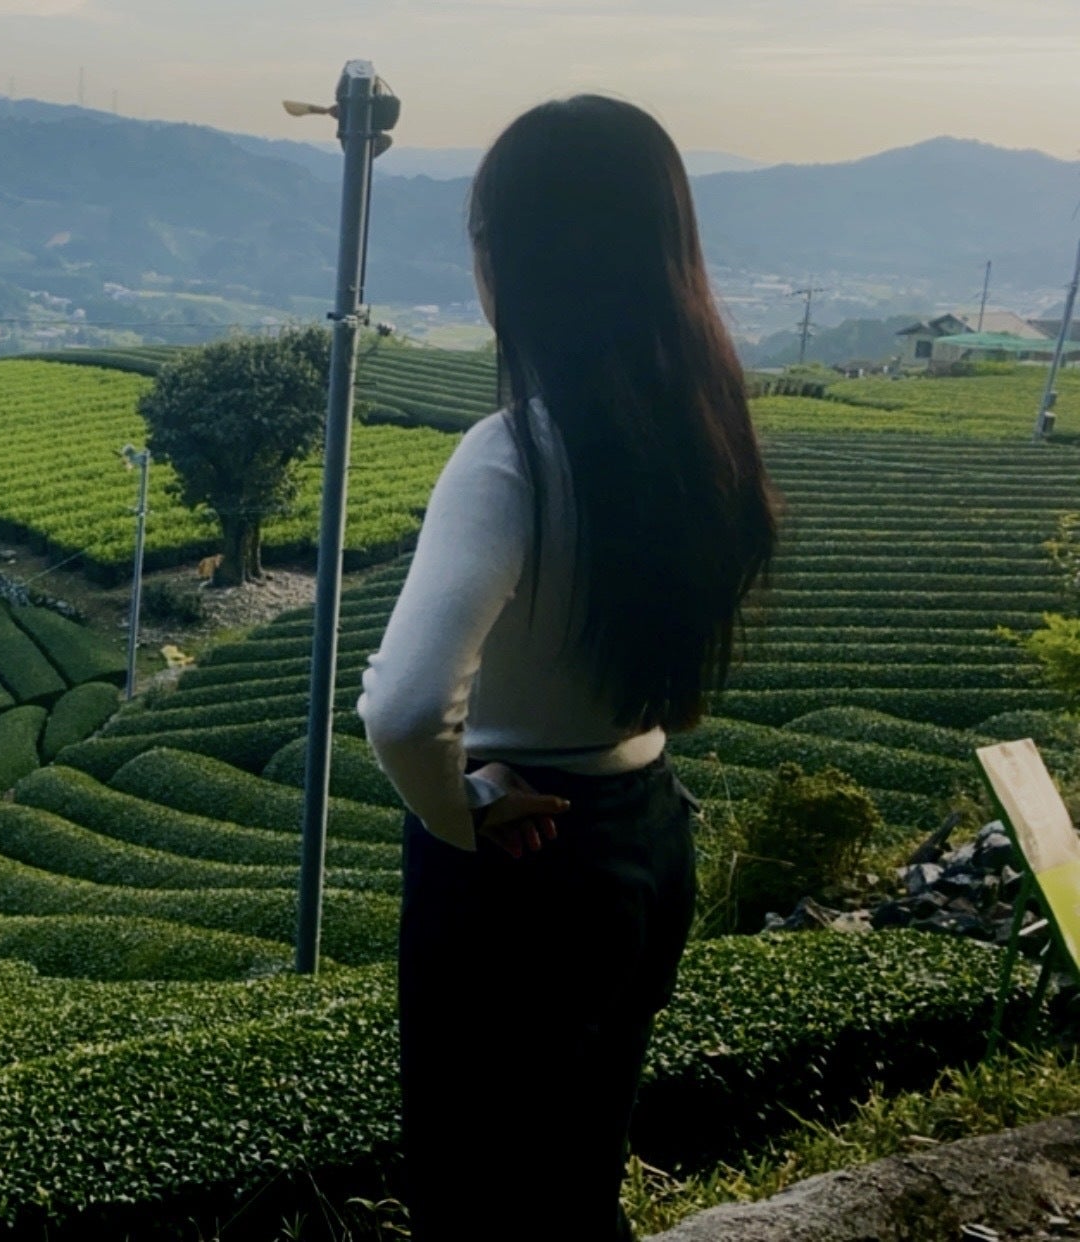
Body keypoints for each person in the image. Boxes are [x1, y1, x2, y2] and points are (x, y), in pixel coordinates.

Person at [356, 95, 779, 1241]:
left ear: (518, 263)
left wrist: (456, 812)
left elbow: (404, 707)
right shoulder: (702, 432)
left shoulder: (512, 456)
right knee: (577, 1173)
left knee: (477, 1195)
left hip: (522, 860)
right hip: (644, 835)